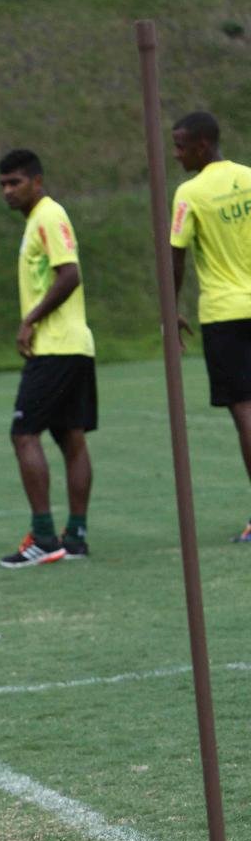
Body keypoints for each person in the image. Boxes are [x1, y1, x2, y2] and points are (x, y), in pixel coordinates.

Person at [0, 148, 96, 568]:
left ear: (37, 181)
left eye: (15, 182)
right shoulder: (39, 220)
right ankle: (74, 536)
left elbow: (70, 274)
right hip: (74, 347)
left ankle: (42, 536)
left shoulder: (49, 216)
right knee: (71, 438)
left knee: (24, 435)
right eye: (2, 184)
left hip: (55, 347)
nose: (7, 191)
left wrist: (30, 320)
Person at [170, 111, 251, 542]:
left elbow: (177, 255)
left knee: (244, 410)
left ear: (202, 145)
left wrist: (171, 308)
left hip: (224, 313)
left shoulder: (190, 193)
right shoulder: (249, 176)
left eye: (181, 145)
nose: (176, 153)